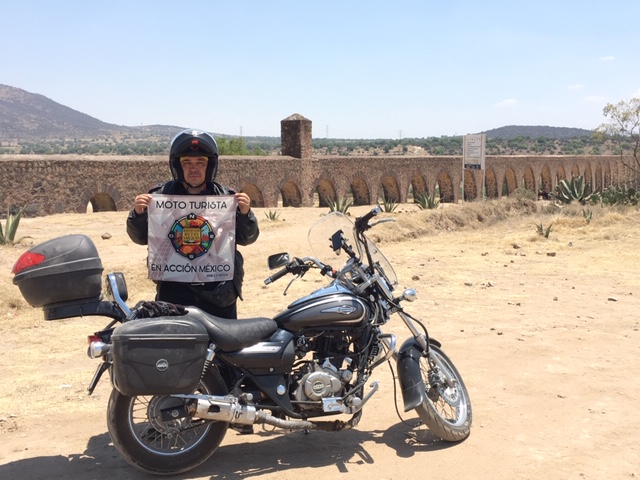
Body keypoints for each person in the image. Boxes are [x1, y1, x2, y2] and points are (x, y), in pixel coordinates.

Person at [126, 128, 259, 319]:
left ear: (210, 166)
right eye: (187, 163)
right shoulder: (161, 196)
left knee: (224, 345)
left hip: (218, 292)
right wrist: (138, 214)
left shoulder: (226, 197)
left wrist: (245, 214)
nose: (194, 168)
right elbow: (139, 238)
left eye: (200, 163)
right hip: (174, 290)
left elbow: (248, 238)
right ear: (178, 167)